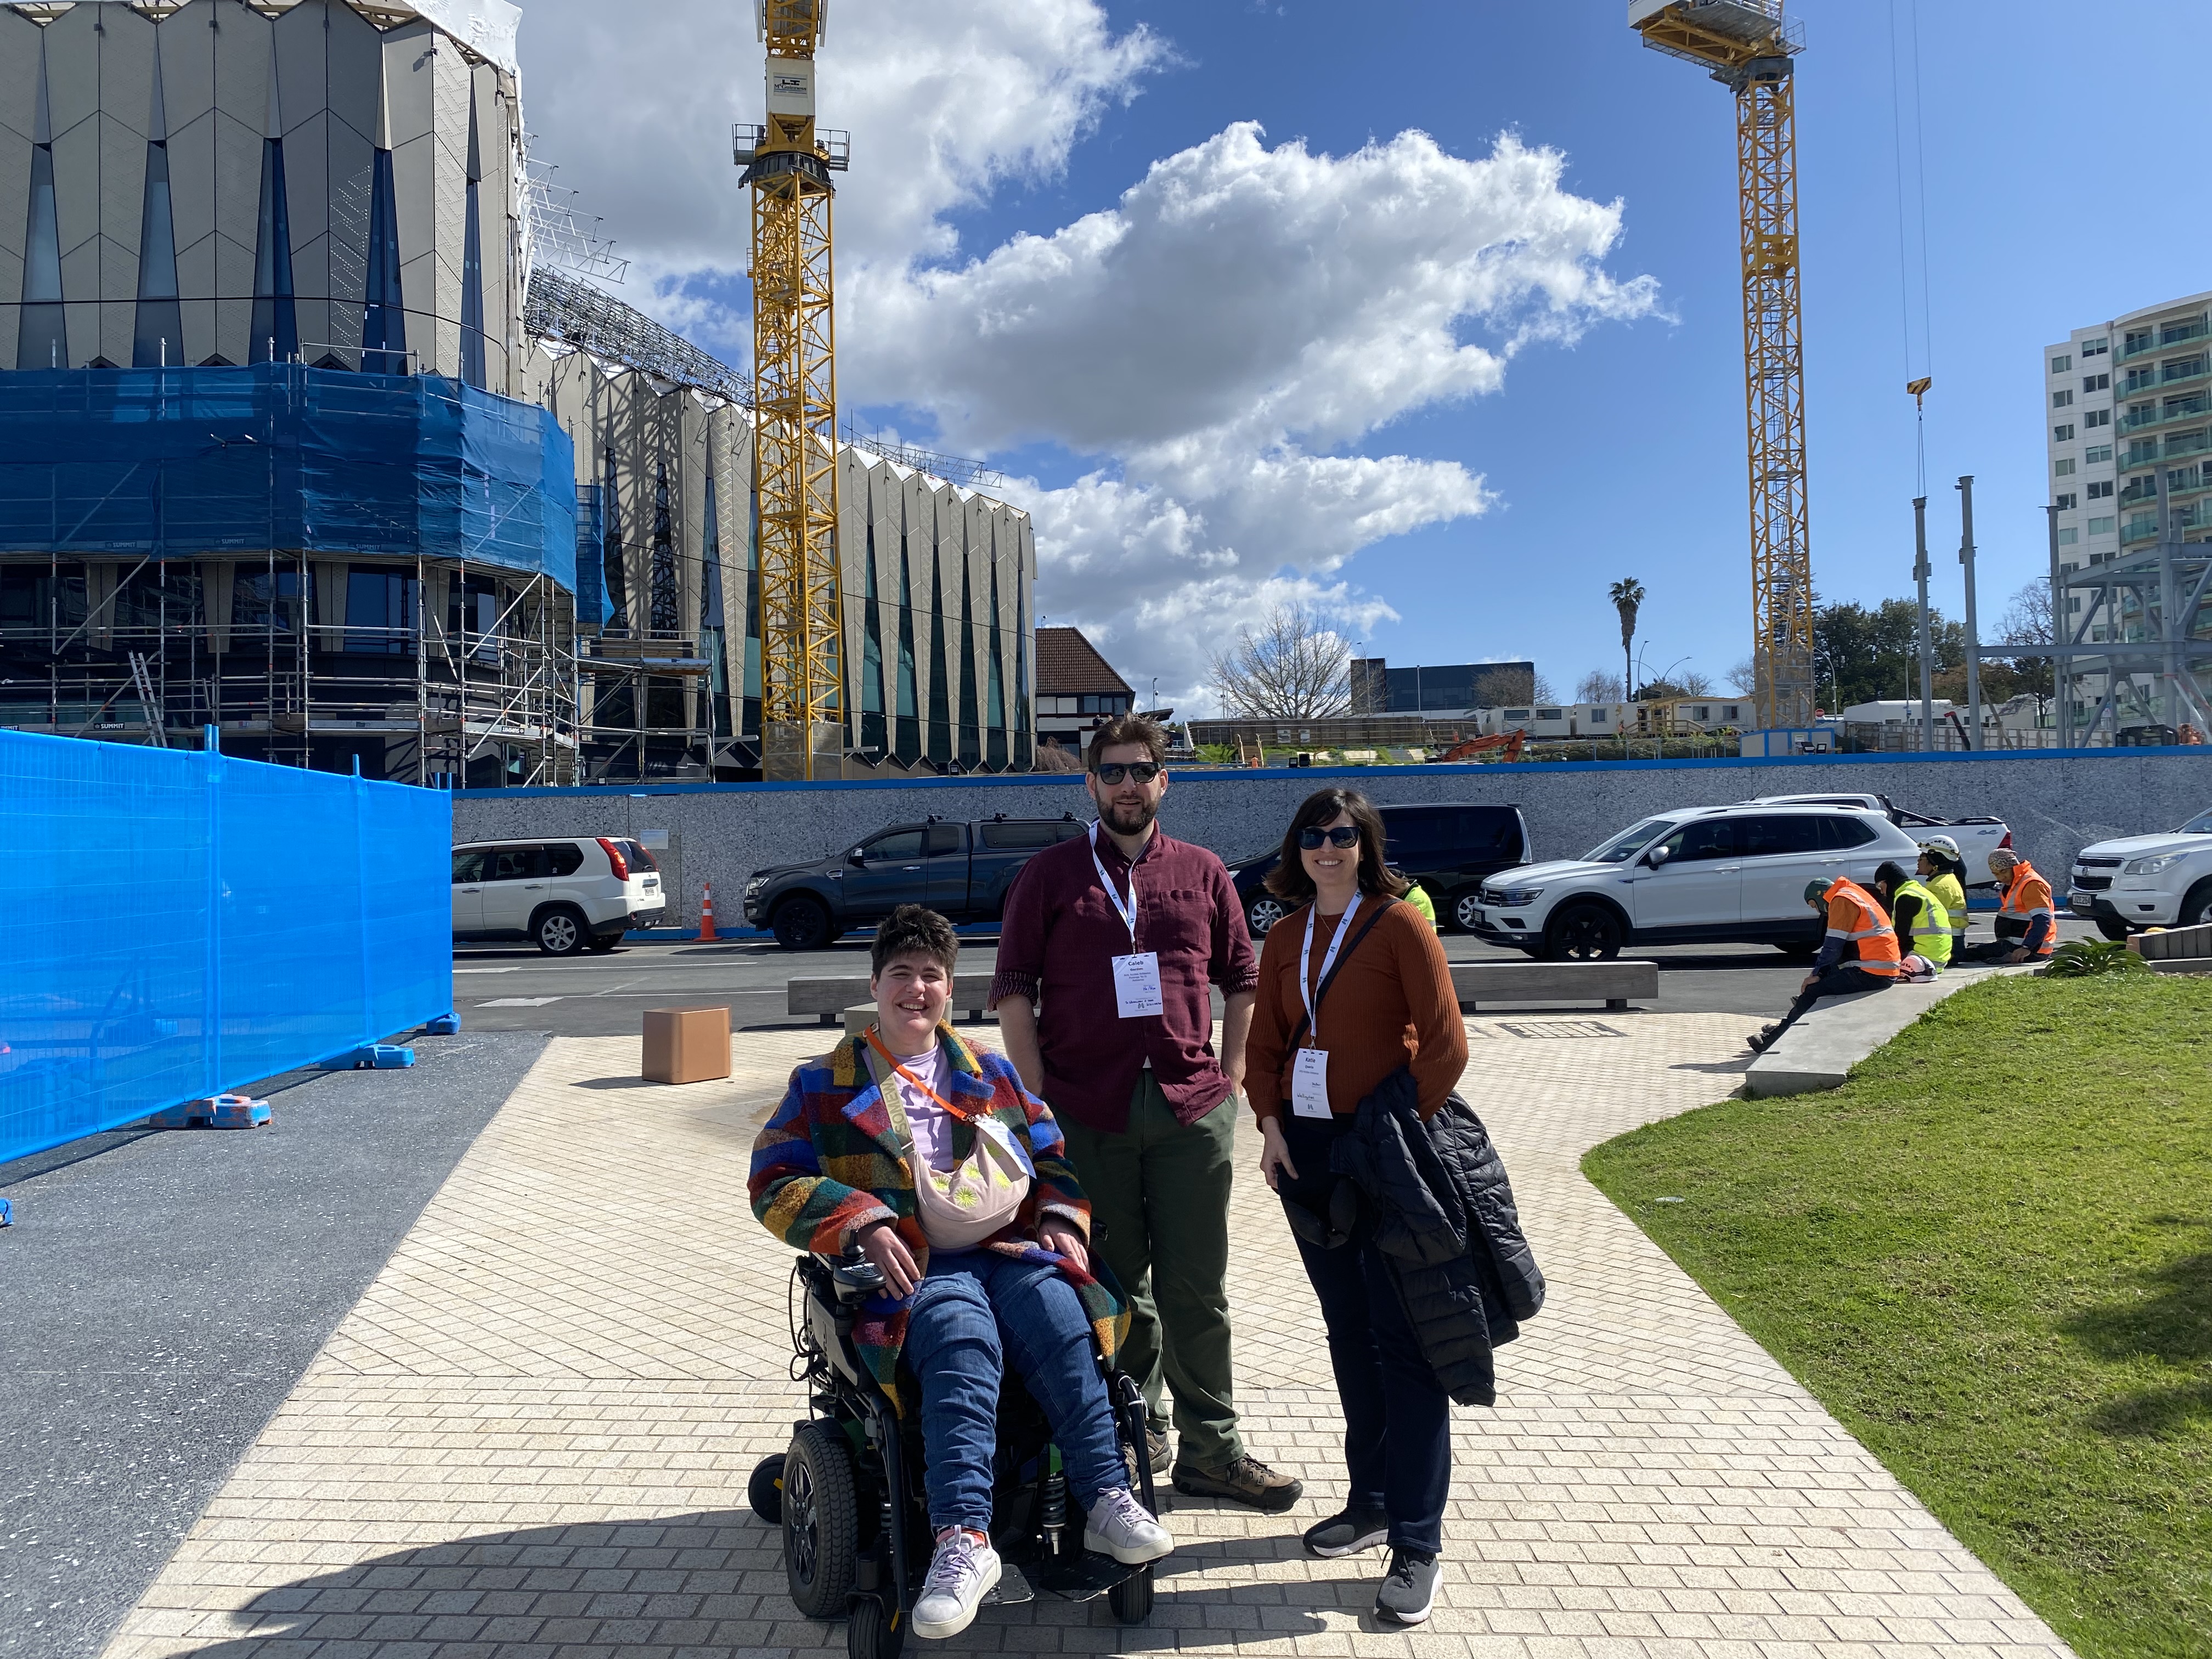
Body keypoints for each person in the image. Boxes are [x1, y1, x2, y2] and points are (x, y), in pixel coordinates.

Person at [751, 905, 1172, 1642]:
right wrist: (859, 1218)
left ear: (952, 989)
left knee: (1064, 1315)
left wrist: (1059, 1218)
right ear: (875, 985)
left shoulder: (991, 1071)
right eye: (902, 975)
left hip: (1007, 1248)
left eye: (932, 977)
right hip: (917, 1261)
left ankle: (1106, 1497)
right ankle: (963, 1541)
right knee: (959, 1334)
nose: (918, 990)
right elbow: (772, 1180)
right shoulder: (822, 1082)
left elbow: (1053, 1161)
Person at [990, 715, 1300, 1511]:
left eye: (1142, 771)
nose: (1129, 785)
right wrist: (1032, 1106)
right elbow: (1014, 994)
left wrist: (1230, 1077)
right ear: (1090, 785)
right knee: (1114, 1284)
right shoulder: (1050, 876)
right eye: (1113, 773)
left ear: (1166, 781)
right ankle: (1135, 1431)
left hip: (1188, 1110)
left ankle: (1213, 1450)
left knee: (1198, 1288)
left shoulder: (1202, 874)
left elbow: (1243, 980)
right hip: (1086, 1112)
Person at [1245, 787, 1470, 1624]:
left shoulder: (1400, 923)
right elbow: (1265, 1042)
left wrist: (1399, 1132)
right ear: (1297, 846)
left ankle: (1418, 1539)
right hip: (1305, 1154)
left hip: (1384, 1154)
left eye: (1343, 836)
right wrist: (1268, 1124)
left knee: (1405, 1343)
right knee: (1351, 1334)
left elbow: (1445, 1045)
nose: (1328, 848)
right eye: (1314, 835)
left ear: (1365, 845)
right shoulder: (1284, 935)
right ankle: (1370, 1498)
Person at [1747, 874, 1901, 1052]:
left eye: (1815, 906)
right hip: (1879, 967)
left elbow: (1832, 948)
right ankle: (1788, 1023)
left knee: (1813, 991)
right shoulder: (1852, 893)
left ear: (1821, 897)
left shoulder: (1841, 901)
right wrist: (1821, 974)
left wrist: (1815, 975)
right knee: (1815, 990)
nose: (1819, 912)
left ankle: (1773, 1039)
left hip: (1873, 972)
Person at [1959, 848, 2056, 963]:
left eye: (2004, 871)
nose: (2001, 878)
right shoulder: (2015, 883)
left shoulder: (2032, 884)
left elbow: (2043, 920)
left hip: (2029, 950)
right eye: (1996, 874)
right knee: (1970, 950)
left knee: (1962, 954)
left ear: (2014, 867)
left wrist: (2027, 948)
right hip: (2016, 946)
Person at [1873, 859, 1952, 973]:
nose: (1881, 892)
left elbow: (1900, 939)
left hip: (1921, 960)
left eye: (1880, 886)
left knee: (1871, 959)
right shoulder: (1919, 891)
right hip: (1937, 960)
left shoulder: (1906, 898)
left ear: (1889, 882)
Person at [1916, 836, 1971, 961]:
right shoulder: (1943, 881)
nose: (1918, 861)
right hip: (1949, 943)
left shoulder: (1940, 887)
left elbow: (1926, 919)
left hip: (1947, 947)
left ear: (1935, 861)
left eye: (1922, 857)